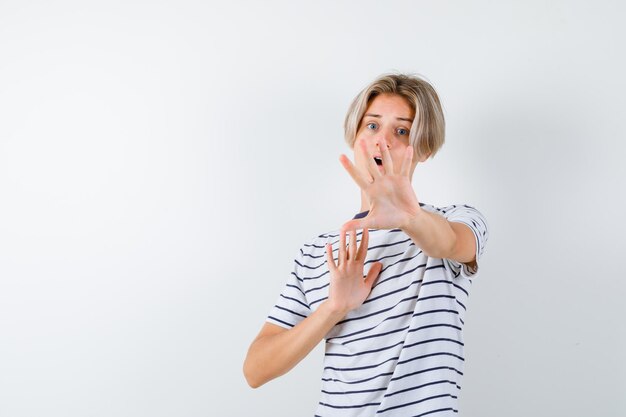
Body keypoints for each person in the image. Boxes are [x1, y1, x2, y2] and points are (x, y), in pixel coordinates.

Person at [243, 73, 489, 416]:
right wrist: (333, 308)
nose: (383, 141)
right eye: (372, 126)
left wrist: (409, 217)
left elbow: (449, 244)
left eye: (401, 130)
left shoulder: (458, 220)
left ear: (426, 147)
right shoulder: (317, 252)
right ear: (355, 136)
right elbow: (255, 370)